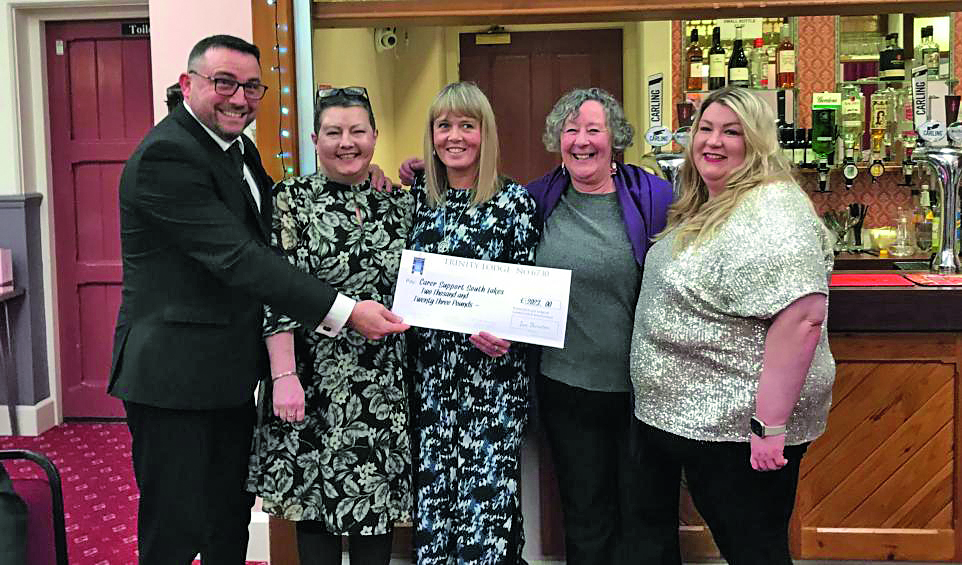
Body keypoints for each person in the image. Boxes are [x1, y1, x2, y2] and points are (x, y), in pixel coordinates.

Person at [109, 35, 407, 565]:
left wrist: (370, 178)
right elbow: (243, 259)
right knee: (174, 526)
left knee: (228, 519)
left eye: (251, 87)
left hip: (227, 373)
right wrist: (344, 311)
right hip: (172, 377)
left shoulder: (239, 148)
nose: (238, 98)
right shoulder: (166, 156)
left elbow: (266, 232)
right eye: (223, 82)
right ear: (188, 85)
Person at [629, 86, 835, 564]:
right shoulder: (718, 200)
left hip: (736, 429)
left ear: (758, 142)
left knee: (753, 548)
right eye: (705, 128)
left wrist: (769, 426)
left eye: (732, 132)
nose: (713, 141)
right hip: (700, 424)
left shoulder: (774, 209)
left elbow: (803, 316)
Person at [246, 87, 413, 565]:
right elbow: (274, 291)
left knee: (375, 512)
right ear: (315, 139)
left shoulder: (398, 206)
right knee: (314, 511)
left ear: (375, 138)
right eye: (334, 132)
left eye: (358, 131)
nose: (347, 142)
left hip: (382, 386)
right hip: (311, 381)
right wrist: (283, 376)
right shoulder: (290, 200)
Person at [525, 88, 673, 565]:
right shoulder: (537, 199)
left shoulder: (654, 196)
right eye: (571, 130)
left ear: (616, 138)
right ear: (557, 140)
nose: (582, 141)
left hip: (642, 391)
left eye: (594, 129)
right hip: (566, 388)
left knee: (647, 517)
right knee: (586, 517)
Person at [407, 81, 539, 564]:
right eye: (444, 125)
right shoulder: (417, 203)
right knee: (436, 501)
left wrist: (509, 333)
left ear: (486, 133)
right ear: (432, 134)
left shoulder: (514, 203)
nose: (454, 136)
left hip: (492, 381)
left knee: (486, 510)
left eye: (467, 124)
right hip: (432, 381)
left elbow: (529, 296)